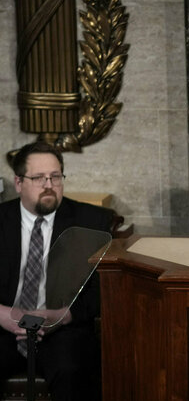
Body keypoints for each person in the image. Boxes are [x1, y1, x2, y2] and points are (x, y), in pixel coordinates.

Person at [0, 142, 114, 400]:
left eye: (55, 176)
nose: (49, 185)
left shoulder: (91, 221)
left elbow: (103, 288)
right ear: (18, 183)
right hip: (4, 326)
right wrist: (2, 314)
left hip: (62, 330)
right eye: (38, 178)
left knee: (73, 368)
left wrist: (64, 315)